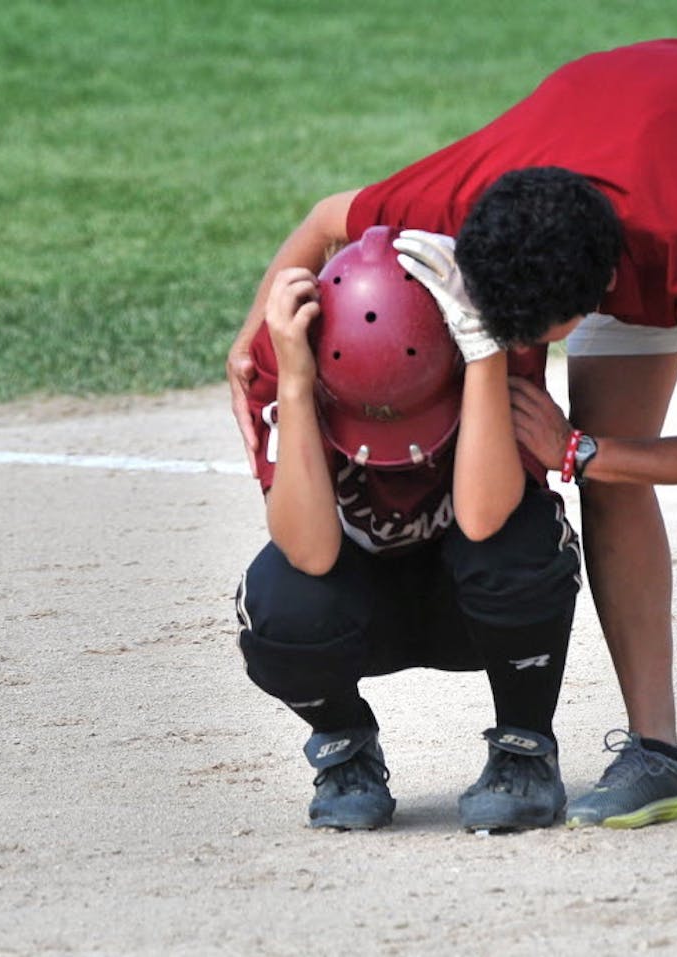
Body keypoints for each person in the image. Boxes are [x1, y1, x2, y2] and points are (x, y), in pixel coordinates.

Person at [227, 37, 677, 837]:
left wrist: (581, 451)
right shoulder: (472, 194)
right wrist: (252, 336)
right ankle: (657, 750)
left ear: (604, 290)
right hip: (630, 134)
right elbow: (328, 217)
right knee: (613, 465)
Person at [232, 224, 580, 833]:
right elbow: (309, 552)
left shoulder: (491, 340)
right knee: (279, 604)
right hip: (358, 607)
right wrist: (294, 380)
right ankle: (345, 751)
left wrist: (482, 351)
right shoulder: (285, 355)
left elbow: (483, 517)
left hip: (472, 608)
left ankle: (525, 751)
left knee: (525, 547)